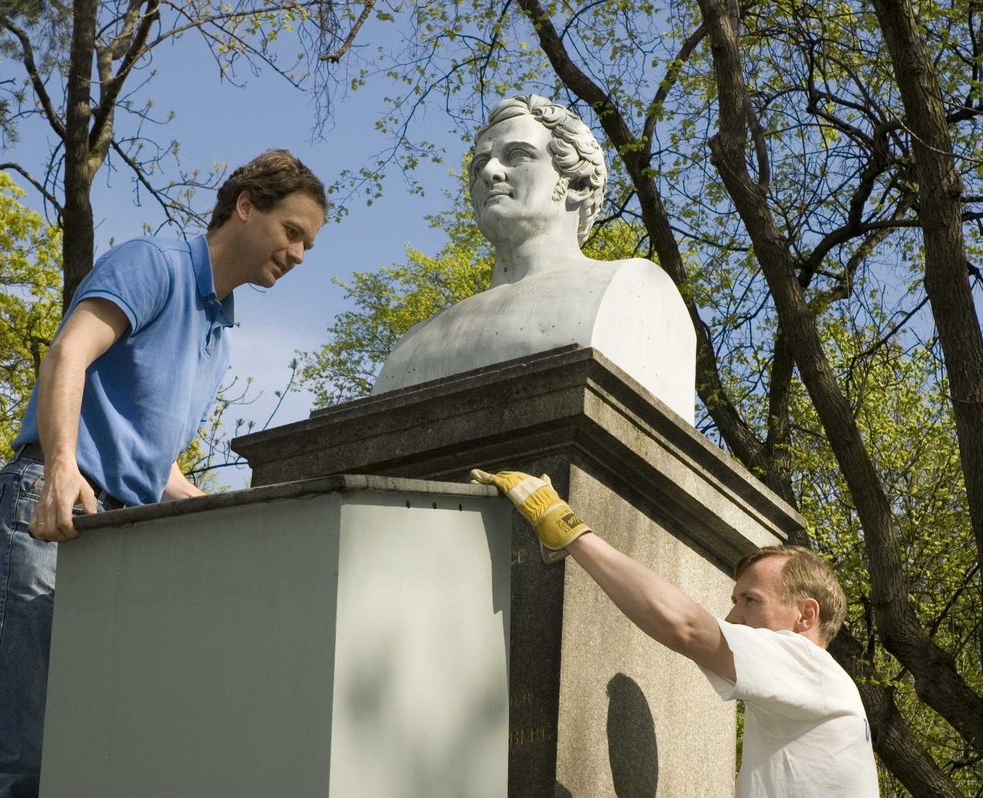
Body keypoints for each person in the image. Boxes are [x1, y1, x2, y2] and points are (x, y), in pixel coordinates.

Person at [0, 149, 328, 798]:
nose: (298, 254)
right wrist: (62, 467)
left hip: (116, 541)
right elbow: (68, 354)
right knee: (10, 764)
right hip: (44, 515)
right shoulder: (154, 266)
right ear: (245, 207)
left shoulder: (219, 336)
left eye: (308, 245)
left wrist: (224, 516)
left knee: (86, 764)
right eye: (292, 232)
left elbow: (153, 463)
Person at [470, 469, 880, 798]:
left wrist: (567, 528)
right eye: (735, 600)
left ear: (805, 616)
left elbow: (685, 626)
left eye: (750, 601)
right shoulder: (816, 694)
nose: (732, 616)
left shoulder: (808, 664)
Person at [372, 95, 695, 421]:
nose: (490, 173)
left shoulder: (636, 293)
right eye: (480, 164)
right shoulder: (413, 343)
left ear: (578, 183)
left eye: (517, 155)